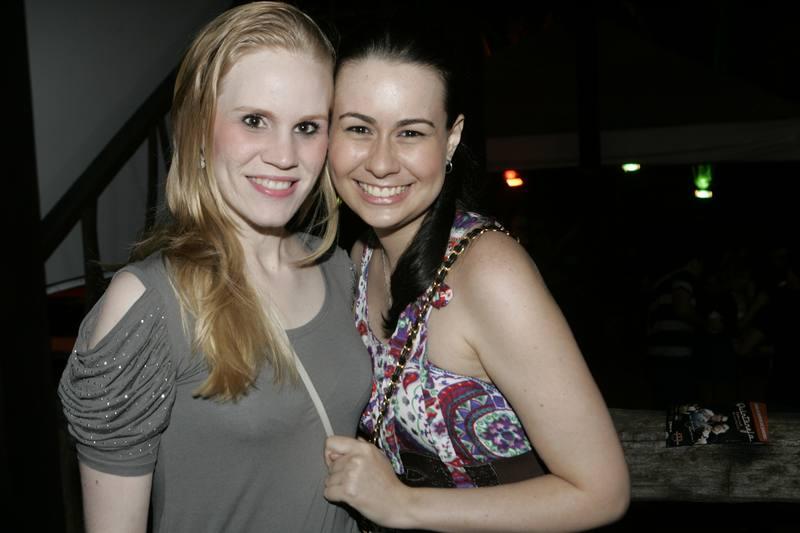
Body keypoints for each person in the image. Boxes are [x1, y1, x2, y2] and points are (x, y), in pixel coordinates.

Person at [57, 3, 371, 531]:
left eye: (307, 126)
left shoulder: (339, 269)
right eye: (254, 121)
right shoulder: (148, 305)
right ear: (200, 130)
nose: (284, 155)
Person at [323, 22, 630, 532]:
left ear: (451, 139)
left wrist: (404, 506)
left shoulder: (489, 272)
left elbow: (602, 492)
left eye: (411, 133)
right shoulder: (361, 258)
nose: (380, 162)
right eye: (358, 129)